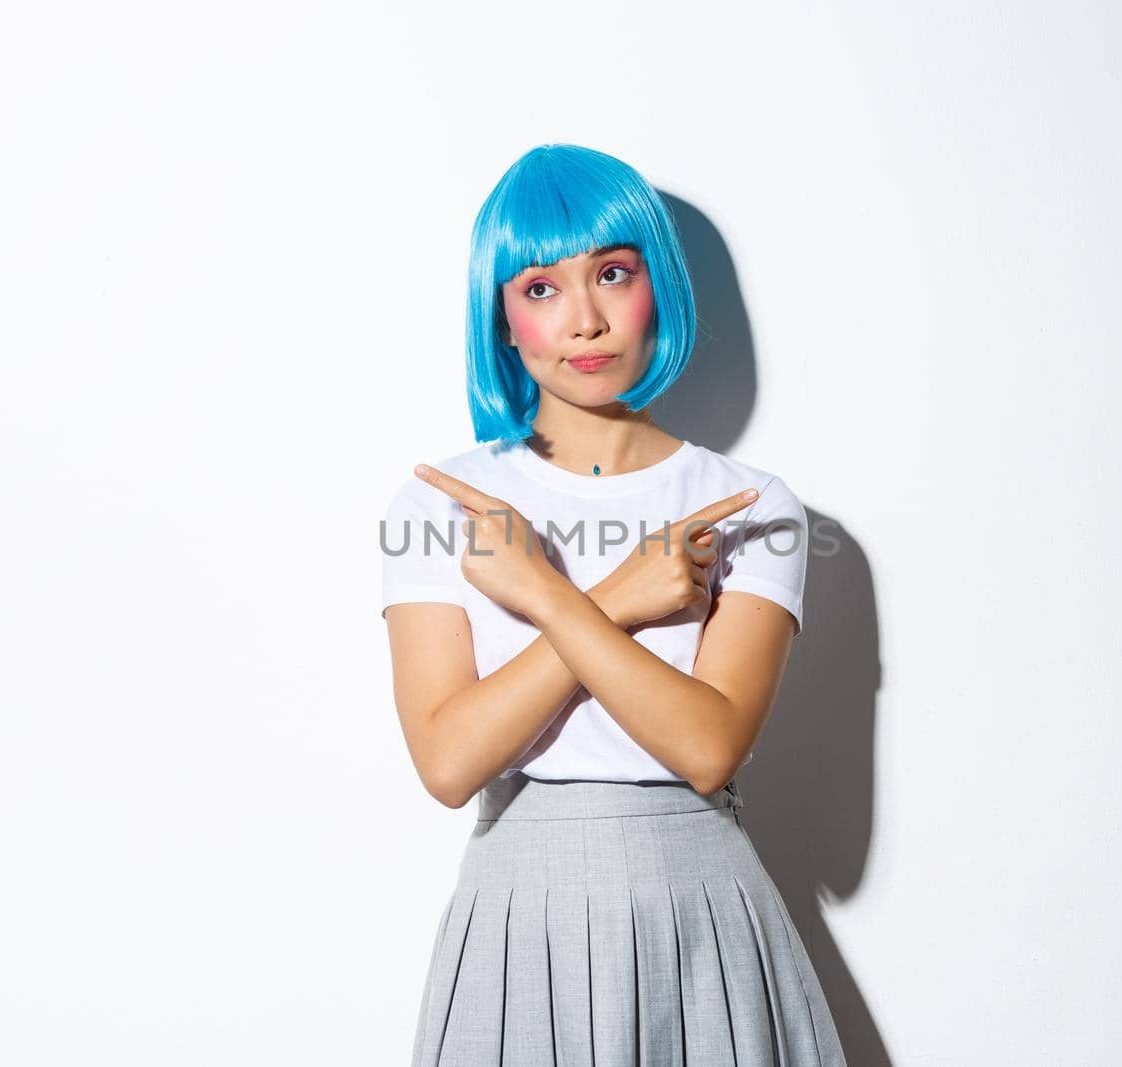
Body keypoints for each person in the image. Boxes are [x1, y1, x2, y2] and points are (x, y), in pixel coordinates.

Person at [380, 143, 847, 1065]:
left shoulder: (755, 506)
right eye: (542, 288)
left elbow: (709, 748)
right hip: (519, 901)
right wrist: (614, 598)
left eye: (613, 274)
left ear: (655, 288)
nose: (585, 319)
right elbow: (448, 760)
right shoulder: (445, 504)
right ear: (501, 317)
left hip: (701, 899)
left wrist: (551, 595)